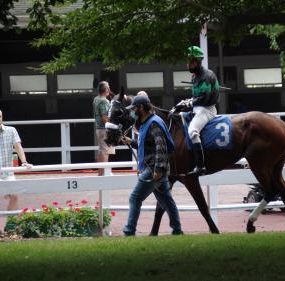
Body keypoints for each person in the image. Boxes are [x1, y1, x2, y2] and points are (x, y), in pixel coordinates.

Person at [120, 95, 183, 236]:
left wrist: (159, 169)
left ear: (141, 108)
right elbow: (148, 146)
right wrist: (131, 142)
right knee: (166, 200)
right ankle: (177, 230)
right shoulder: (146, 123)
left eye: (134, 108)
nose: (133, 112)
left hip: (153, 169)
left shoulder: (153, 123)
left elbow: (161, 147)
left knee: (135, 198)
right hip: (155, 167)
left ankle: (129, 231)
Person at [171, 45, 220, 176]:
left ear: (197, 62)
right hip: (198, 108)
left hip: (207, 110)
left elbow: (205, 98)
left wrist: (189, 103)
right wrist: (184, 103)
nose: (187, 64)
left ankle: (200, 165)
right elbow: (196, 97)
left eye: (190, 62)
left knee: (192, 131)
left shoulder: (206, 76)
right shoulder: (195, 76)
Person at [93, 81, 115, 176]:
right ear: (106, 89)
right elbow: (104, 117)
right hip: (104, 128)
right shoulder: (103, 101)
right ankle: (104, 173)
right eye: (108, 88)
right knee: (105, 151)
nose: (109, 90)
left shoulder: (96, 99)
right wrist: (112, 124)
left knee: (102, 150)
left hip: (98, 128)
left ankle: (101, 173)